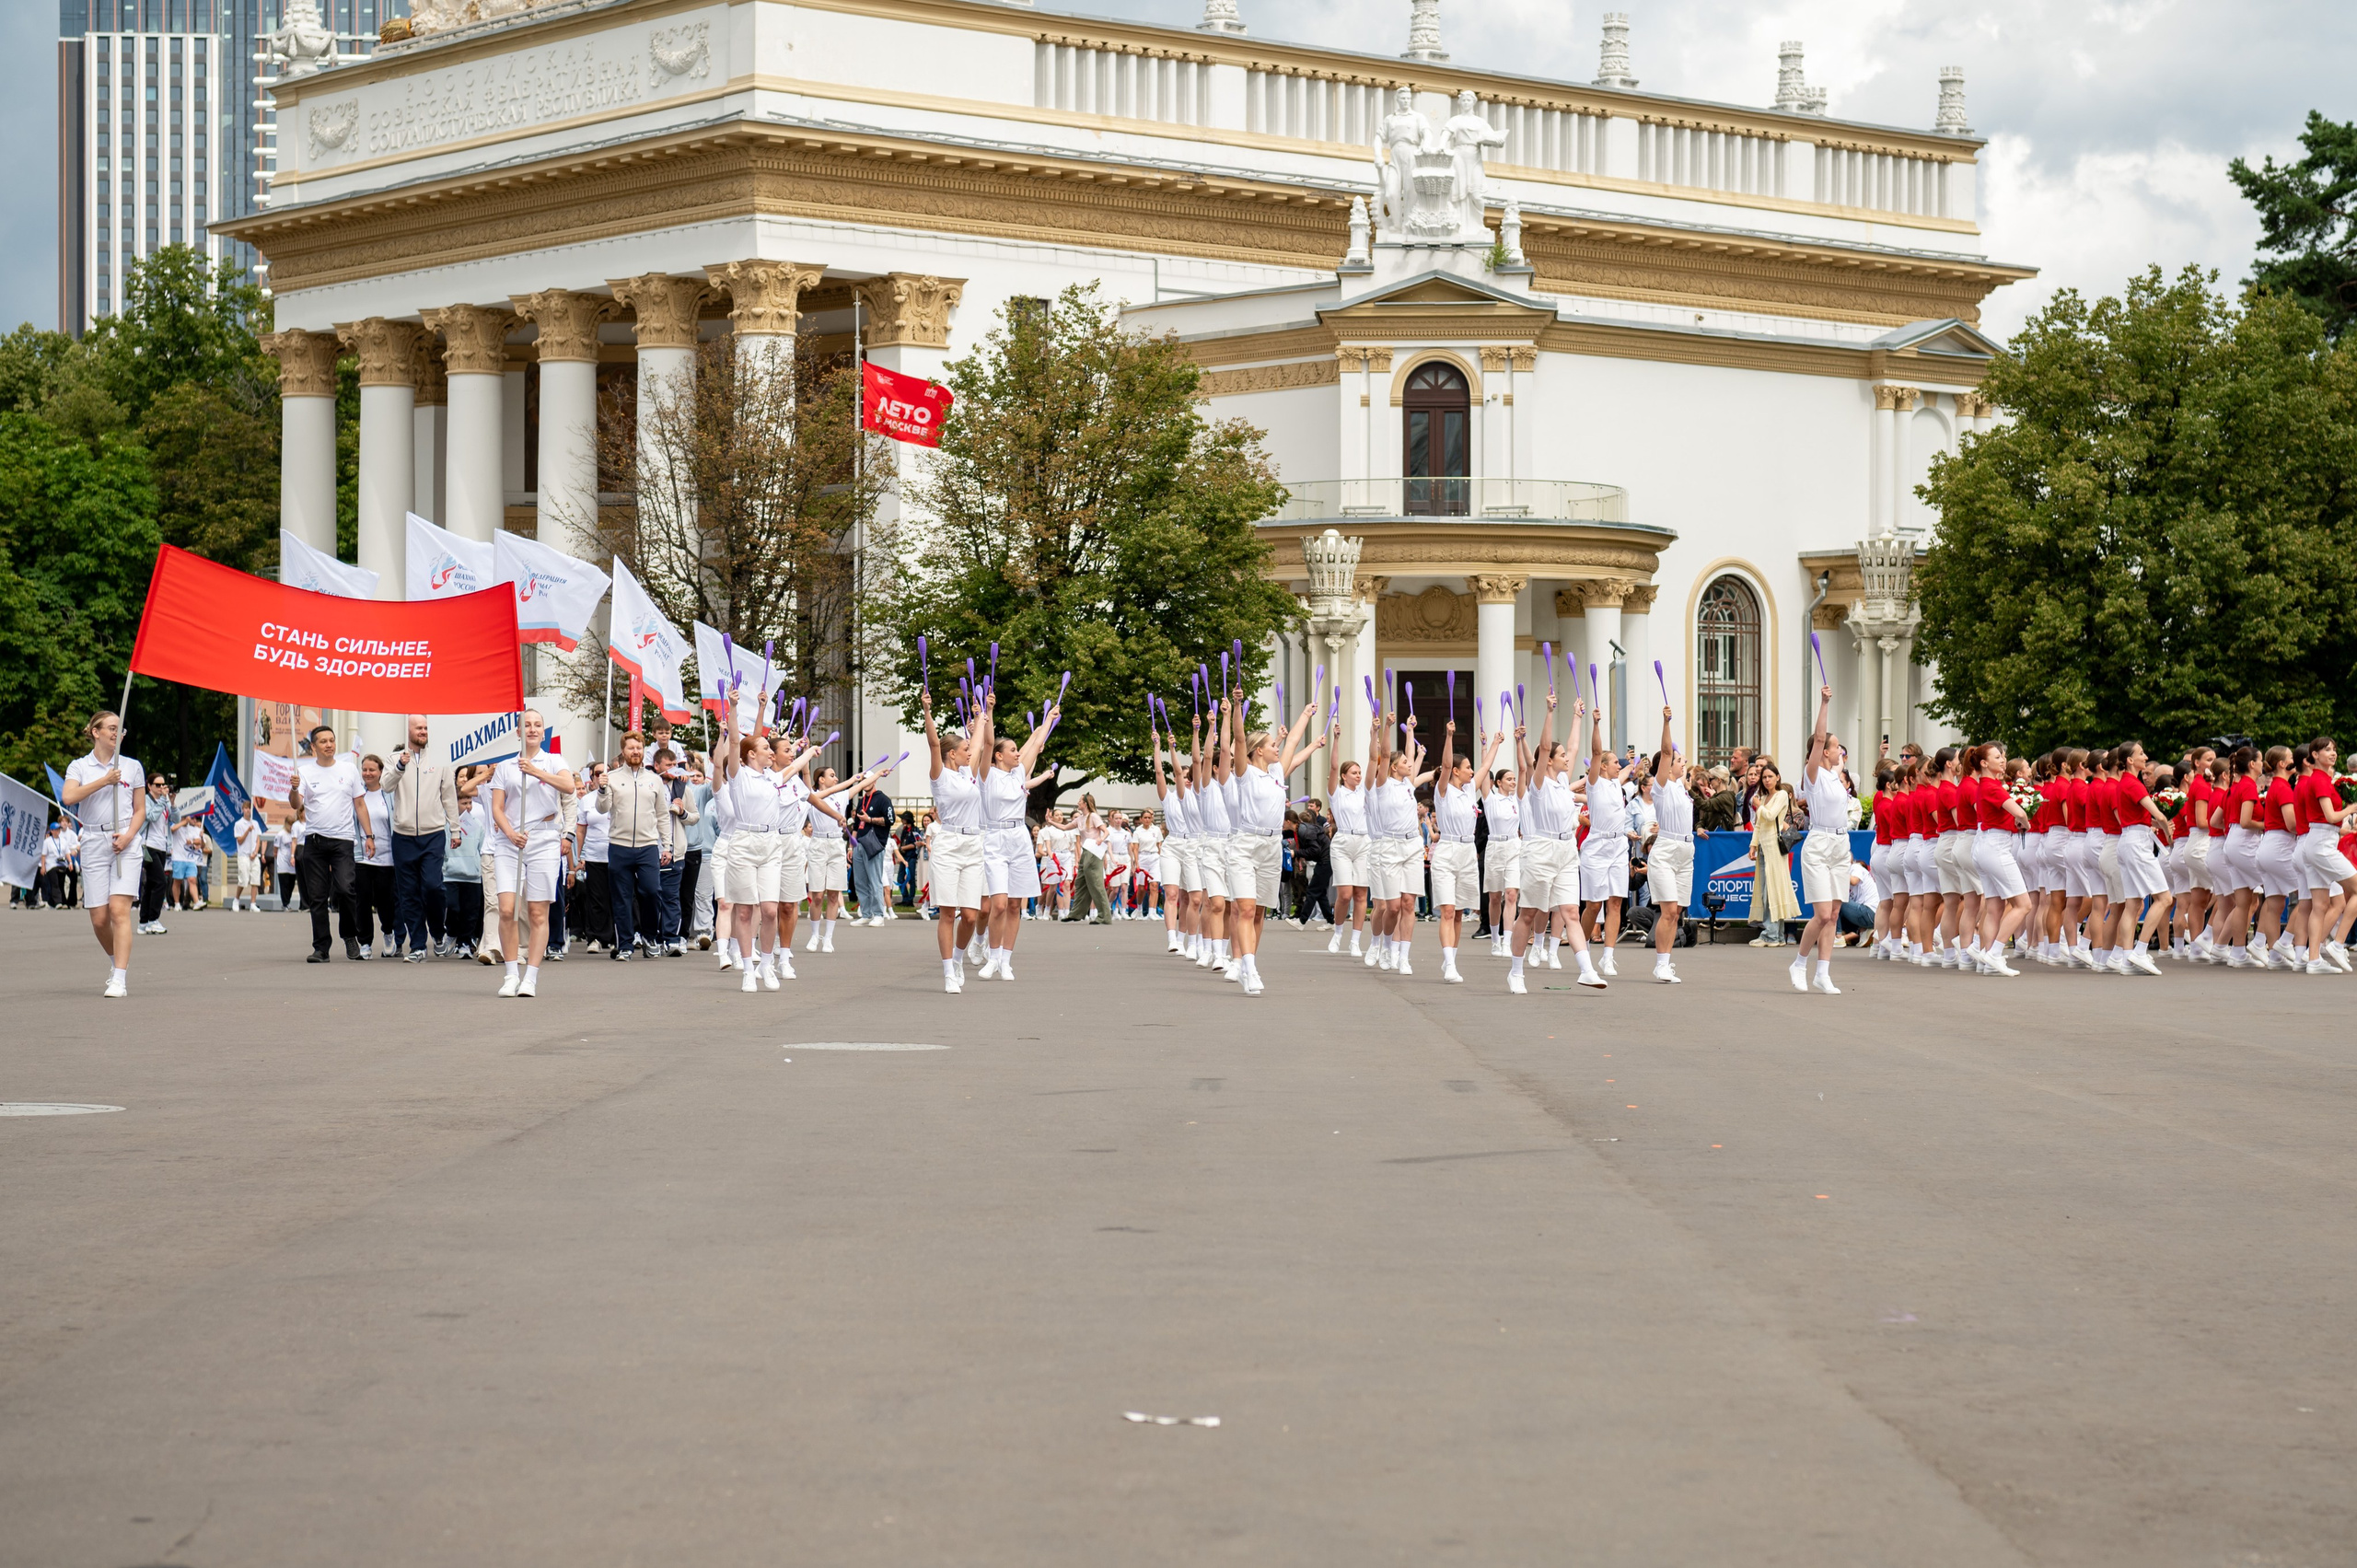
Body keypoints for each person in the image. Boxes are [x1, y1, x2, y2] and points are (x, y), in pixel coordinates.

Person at [1220, 680, 1325, 995]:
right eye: (1271, 744)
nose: (1277, 747)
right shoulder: (1244, 772)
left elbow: (1293, 739)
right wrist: (1238, 707)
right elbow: (1238, 739)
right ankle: (1247, 967)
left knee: (1261, 910)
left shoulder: (1277, 772)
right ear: (1258, 751)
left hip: (1270, 846)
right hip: (1244, 845)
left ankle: (1250, 962)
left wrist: (1306, 714)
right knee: (1247, 908)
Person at [1507, 690, 1605, 993]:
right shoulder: (1538, 784)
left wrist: (1578, 716)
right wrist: (1549, 712)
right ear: (1548, 761)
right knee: (1528, 914)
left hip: (1565, 850)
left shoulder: (1563, 781)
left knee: (1571, 912)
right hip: (1539, 850)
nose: (1567, 758)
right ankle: (1516, 972)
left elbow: (1574, 746)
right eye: (1560, 757)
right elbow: (1546, 745)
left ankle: (1587, 969)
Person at [486, 709, 575, 997]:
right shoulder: (505, 766)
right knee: (508, 909)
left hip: (544, 840)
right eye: (527, 725)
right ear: (518, 732)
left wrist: (535, 771)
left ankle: (531, 978)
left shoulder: (553, 761)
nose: (532, 729)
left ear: (543, 731)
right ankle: (511, 974)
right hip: (511, 842)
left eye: (538, 725)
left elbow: (569, 786)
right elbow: (497, 807)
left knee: (538, 913)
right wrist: (510, 833)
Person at [61, 710, 145, 997]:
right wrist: (104, 781)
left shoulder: (132, 767)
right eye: (110, 728)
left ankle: (120, 978)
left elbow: (140, 810)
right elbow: (69, 797)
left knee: (118, 910)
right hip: (94, 839)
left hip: (125, 840)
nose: (116, 734)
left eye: (120, 730)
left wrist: (129, 836)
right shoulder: (79, 766)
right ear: (95, 732)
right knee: (99, 918)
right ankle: (115, 962)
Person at [979, 705, 1059, 979]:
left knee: (1015, 905)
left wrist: (1047, 720)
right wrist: (987, 712)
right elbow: (988, 742)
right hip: (994, 838)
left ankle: (1005, 960)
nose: (1017, 753)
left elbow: (1036, 743)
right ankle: (992, 955)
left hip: (1019, 839)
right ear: (998, 756)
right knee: (999, 904)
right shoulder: (986, 776)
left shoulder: (1017, 775)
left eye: (1017, 749)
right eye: (1012, 750)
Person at [921, 684, 987, 993]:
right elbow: (934, 744)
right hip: (948, 845)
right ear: (952, 754)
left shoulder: (967, 774)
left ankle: (959, 958)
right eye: (965, 752)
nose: (970, 754)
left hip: (973, 845)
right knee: (948, 912)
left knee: (971, 917)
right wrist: (927, 710)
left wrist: (982, 713)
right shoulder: (941, 775)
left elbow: (977, 742)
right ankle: (948, 972)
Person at [1790, 684, 1853, 993]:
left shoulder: (1835, 775)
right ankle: (1800, 963)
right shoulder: (1812, 773)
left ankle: (1823, 973)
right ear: (1823, 751)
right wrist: (1824, 703)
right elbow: (1818, 737)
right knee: (1823, 913)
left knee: (1836, 914)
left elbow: (1838, 759)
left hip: (1841, 844)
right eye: (1836, 747)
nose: (1841, 752)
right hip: (1818, 844)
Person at [289, 725, 370, 963]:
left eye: (332, 740)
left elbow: (360, 805)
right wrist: (294, 788)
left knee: (346, 889)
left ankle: (349, 936)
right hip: (314, 840)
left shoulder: (349, 770)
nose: (329, 744)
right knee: (317, 896)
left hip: (343, 840)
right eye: (323, 741)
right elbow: (296, 804)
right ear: (313, 747)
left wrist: (370, 836)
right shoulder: (304, 772)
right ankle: (321, 947)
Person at [1428, 714, 1500, 984]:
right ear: (1456, 771)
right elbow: (1446, 764)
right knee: (1447, 909)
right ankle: (1448, 963)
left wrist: (1494, 742)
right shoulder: (1443, 790)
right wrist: (1448, 736)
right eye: (1467, 768)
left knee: (1458, 912)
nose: (1472, 771)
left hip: (1468, 853)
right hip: (1447, 850)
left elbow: (1488, 765)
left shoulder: (1471, 790)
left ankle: (1453, 960)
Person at [383, 715, 460, 959]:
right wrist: (400, 767)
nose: (423, 731)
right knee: (408, 894)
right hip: (403, 835)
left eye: (426, 728)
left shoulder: (440, 760)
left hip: (433, 834)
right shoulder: (395, 759)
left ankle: (438, 933)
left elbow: (449, 796)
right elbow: (385, 786)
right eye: (419, 728)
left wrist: (455, 829)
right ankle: (417, 946)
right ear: (409, 731)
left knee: (432, 886)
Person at [599, 731, 678, 962]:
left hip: (647, 846)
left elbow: (663, 815)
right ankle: (625, 944)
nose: (636, 752)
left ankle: (650, 938)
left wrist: (667, 845)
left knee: (651, 892)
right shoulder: (611, 777)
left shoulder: (654, 779)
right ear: (623, 751)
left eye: (639, 748)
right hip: (619, 846)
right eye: (631, 748)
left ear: (644, 751)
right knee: (622, 898)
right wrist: (602, 789)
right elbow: (603, 808)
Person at [1577, 703, 1635, 973]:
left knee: (1615, 902)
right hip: (1596, 846)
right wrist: (1597, 723)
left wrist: (1633, 760)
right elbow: (1597, 751)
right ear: (1602, 766)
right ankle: (1583, 948)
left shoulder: (1617, 782)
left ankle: (1608, 956)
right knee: (1593, 904)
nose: (1618, 766)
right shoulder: (1594, 783)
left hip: (1618, 845)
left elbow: (1629, 769)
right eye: (1614, 763)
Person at [1644, 707, 1693, 983]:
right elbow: (1665, 751)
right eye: (1678, 759)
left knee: (1676, 913)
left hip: (1686, 852)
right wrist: (1666, 723)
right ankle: (1661, 964)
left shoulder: (1682, 789)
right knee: (1669, 910)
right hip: (1666, 851)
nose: (1681, 761)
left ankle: (1666, 961)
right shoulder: (1661, 786)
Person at [1747, 761, 1797, 947]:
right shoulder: (1765, 797)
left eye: (1770, 776)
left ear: (1777, 778)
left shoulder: (1781, 795)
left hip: (1774, 847)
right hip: (1762, 846)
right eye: (1764, 777)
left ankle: (1772, 934)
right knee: (1766, 890)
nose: (1767, 780)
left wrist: (1758, 805)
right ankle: (1775, 934)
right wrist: (1753, 845)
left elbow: (1769, 815)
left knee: (1772, 891)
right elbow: (1759, 825)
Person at [354, 755, 399, 956]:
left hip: (387, 858)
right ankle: (365, 943)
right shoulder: (357, 795)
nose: (367, 773)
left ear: (381, 772)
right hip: (363, 857)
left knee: (386, 901)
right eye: (364, 769)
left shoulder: (389, 794)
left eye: (372, 770)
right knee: (362, 901)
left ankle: (388, 932)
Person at [444, 770, 486, 959]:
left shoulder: (477, 824)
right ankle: (451, 932)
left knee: (471, 911)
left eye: (470, 803)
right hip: (451, 873)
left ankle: (464, 942)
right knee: (453, 907)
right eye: (464, 803)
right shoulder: (446, 824)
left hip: (472, 875)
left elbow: (480, 847)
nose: (468, 806)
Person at [574, 761, 614, 952]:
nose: (601, 776)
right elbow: (581, 830)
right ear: (592, 778)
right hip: (594, 855)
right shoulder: (587, 800)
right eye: (597, 773)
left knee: (617, 896)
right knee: (596, 897)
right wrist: (579, 855)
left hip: (617, 853)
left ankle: (615, 936)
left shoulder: (617, 795)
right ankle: (596, 938)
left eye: (605, 772)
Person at [849, 770, 895, 924]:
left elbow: (890, 820)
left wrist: (870, 819)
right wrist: (851, 847)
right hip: (859, 844)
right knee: (860, 881)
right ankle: (866, 913)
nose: (865, 784)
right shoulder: (861, 801)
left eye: (868, 781)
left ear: (874, 781)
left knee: (874, 879)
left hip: (874, 844)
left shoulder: (883, 799)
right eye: (863, 781)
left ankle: (878, 914)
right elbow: (856, 825)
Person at [136, 773, 174, 934]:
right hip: (148, 845)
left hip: (161, 845)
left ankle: (143, 922)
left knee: (152, 884)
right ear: (149, 786)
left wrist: (171, 802)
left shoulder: (164, 801)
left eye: (162, 785)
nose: (161, 788)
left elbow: (173, 817)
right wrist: (162, 801)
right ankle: (154, 919)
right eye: (157, 785)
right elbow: (151, 816)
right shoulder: (146, 800)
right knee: (160, 882)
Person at [227, 802, 263, 912]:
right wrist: (248, 830)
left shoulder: (255, 823)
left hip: (253, 855)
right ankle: (236, 899)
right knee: (243, 880)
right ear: (243, 809)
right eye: (246, 808)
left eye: (249, 808)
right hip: (243, 855)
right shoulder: (239, 824)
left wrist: (256, 851)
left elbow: (258, 840)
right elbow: (239, 840)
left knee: (255, 880)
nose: (248, 810)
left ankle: (253, 903)